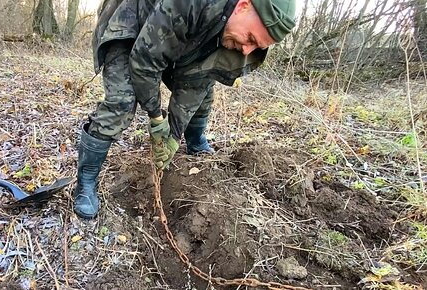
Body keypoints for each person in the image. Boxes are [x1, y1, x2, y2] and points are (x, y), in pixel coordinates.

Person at [74, 0, 296, 219]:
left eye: (258, 46)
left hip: (181, 42)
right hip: (133, 27)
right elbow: (145, 62)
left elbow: (195, 85)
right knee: (121, 103)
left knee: (205, 95)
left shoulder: (240, 43)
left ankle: (195, 139)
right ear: (243, 6)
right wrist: (156, 117)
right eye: (250, 38)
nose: (248, 49)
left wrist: (173, 135)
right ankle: (86, 182)